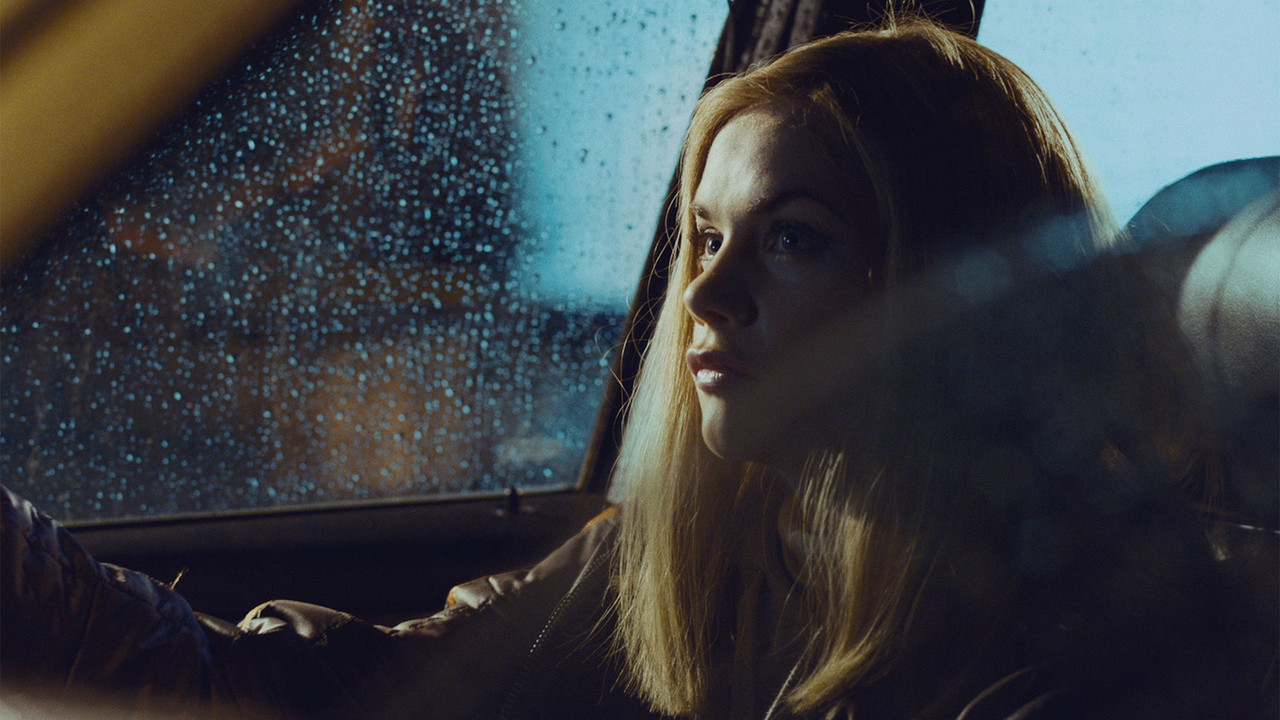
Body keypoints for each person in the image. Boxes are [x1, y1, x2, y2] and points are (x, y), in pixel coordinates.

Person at [0, 17, 1266, 720]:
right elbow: (346, 692)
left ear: (937, 284)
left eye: (791, 239)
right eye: (704, 240)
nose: (705, 295)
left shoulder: (1086, 653)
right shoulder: (704, 559)